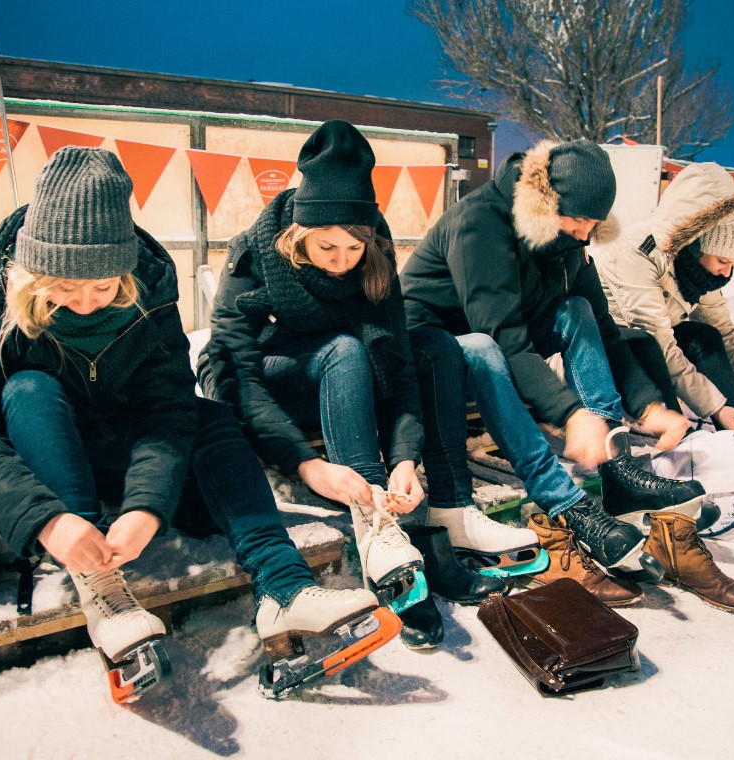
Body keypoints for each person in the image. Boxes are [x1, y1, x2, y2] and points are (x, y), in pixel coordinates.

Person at [0, 147, 392, 702]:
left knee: (211, 418)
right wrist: (46, 520)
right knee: (28, 388)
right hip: (43, 451)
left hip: (127, 447)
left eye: (103, 289)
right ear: (31, 273)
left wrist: (147, 503)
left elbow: (168, 404)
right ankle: (103, 592)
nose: (84, 304)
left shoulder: (151, 279)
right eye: (64, 290)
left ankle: (285, 587)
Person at [202, 120, 532, 648]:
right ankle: (377, 531)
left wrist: (404, 456)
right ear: (298, 234)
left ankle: (451, 510)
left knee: (435, 345)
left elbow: (396, 362)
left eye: (354, 248)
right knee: (345, 346)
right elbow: (228, 367)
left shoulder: (376, 259)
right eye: (326, 247)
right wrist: (305, 463)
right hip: (273, 387)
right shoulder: (256, 251)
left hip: (352, 382)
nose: (341, 262)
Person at [400, 138, 712, 600]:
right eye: (579, 221)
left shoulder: (567, 238)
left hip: (496, 344)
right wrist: (569, 413)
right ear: (547, 204)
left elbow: (604, 329)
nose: (586, 234)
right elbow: (503, 337)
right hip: (430, 352)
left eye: (595, 224)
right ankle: (565, 502)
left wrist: (648, 405)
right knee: (483, 348)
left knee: (577, 310)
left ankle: (618, 469)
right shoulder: (481, 223)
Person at [597, 161, 734, 434]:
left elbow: (724, 331)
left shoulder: (694, 268)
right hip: (613, 353)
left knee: (705, 335)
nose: (727, 272)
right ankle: (681, 435)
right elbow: (658, 341)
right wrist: (716, 407)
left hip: (653, 348)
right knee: (648, 345)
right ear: (696, 243)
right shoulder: (634, 254)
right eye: (723, 260)